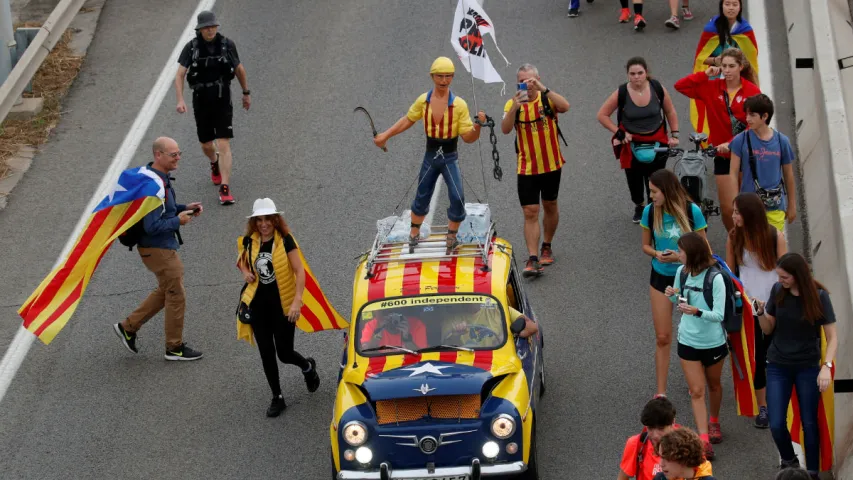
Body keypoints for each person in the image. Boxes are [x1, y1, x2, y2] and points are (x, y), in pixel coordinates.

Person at [373, 57, 486, 255]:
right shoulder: (423, 101)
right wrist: (386, 135)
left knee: (457, 195)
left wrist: (477, 125)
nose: (444, 81)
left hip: (449, 156)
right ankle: (414, 233)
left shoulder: (459, 105)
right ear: (432, 76)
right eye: (440, 76)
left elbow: (468, 138)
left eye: (448, 76)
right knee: (422, 193)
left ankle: (452, 236)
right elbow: (408, 119)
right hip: (431, 155)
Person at [113, 137, 203, 361]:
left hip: (158, 248)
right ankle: (174, 348)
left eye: (179, 153)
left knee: (166, 290)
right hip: (158, 250)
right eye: (173, 155)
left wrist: (185, 208)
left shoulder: (156, 178)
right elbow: (152, 226)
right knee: (177, 295)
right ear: (158, 155)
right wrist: (178, 221)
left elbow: (165, 209)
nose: (178, 158)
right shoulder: (153, 187)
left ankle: (128, 327)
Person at [754, 253, 838, 478]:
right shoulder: (777, 291)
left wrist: (826, 366)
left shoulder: (820, 297)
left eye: (785, 277)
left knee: (809, 423)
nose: (780, 280)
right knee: (777, 422)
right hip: (777, 365)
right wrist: (760, 313)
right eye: (779, 276)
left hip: (808, 367)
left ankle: (811, 472)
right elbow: (768, 328)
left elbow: (832, 337)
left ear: (798, 275)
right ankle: (790, 463)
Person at [235, 198, 320, 417]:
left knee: (284, 352)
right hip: (258, 307)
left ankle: (307, 367)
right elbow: (241, 260)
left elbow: (299, 272)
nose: (263, 224)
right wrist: (245, 272)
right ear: (254, 222)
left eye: (268, 219)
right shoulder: (249, 241)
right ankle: (277, 397)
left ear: (275, 220)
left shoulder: (286, 241)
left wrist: (297, 302)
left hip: (283, 306)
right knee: (266, 353)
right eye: (259, 220)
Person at [675, 48, 760, 233]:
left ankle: (750, 240)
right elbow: (680, 86)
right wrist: (704, 75)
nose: (727, 70)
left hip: (747, 155)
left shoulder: (752, 91)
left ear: (741, 67)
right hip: (723, 158)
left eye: (731, 66)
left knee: (747, 207)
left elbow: (754, 125)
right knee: (729, 209)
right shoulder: (711, 88)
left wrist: (732, 143)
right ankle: (735, 240)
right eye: (724, 66)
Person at [641, 169, 707, 400]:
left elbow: (704, 248)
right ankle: (661, 393)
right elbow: (646, 246)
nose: (651, 196)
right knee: (663, 337)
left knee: (695, 335)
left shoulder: (692, 211)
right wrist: (657, 254)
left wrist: (680, 257)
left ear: (667, 191)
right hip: (660, 277)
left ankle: (697, 383)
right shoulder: (650, 212)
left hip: (690, 278)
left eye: (654, 192)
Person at [501, 64, 570, 277]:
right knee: (530, 211)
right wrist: (514, 105)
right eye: (522, 81)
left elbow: (566, 106)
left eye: (530, 81)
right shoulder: (514, 104)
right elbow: (504, 129)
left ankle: (546, 245)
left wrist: (544, 88)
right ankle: (532, 258)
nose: (527, 85)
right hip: (526, 167)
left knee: (550, 205)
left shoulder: (547, 99)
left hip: (551, 165)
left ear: (537, 79)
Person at [175, 10, 251, 206]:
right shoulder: (191, 48)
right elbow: (180, 74)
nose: (210, 30)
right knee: (206, 144)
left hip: (222, 98)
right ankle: (214, 162)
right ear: (200, 30)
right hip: (201, 99)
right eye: (206, 27)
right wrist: (180, 99)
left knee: (224, 143)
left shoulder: (227, 45)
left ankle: (225, 188)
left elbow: (239, 69)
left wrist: (246, 93)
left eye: (213, 26)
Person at [726, 192, 788, 428]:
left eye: (737, 212)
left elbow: (785, 271)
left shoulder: (775, 236)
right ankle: (764, 408)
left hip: (775, 306)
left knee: (777, 355)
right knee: (758, 358)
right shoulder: (734, 237)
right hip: (749, 309)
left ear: (750, 215)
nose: (733, 216)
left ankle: (780, 401)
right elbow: (730, 274)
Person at [665, 232, 727, 460]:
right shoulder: (681, 273)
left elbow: (719, 314)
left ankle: (714, 420)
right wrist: (672, 295)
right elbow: (679, 300)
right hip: (688, 340)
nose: (678, 254)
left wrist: (698, 311)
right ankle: (703, 440)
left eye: (681, 251)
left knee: (713, 386)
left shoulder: (715, 278)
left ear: (692, 254)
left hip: (713, 341)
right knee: (697, 391)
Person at [597, 57, 679, 223]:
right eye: (632, 73)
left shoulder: (657, 88)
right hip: (631, 143)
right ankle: (639, 205)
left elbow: (670, 111)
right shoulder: (621, 92)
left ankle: (655, 207)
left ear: (646, 73)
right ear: (627, 75)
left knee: (656, 178)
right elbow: (602, 115)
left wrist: (674, 135)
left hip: (658, 140)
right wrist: (619, 132)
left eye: (640, 73)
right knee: (634, 179)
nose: (636, 77)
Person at [729, 94, 797, 232]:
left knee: (774, 248)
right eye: (747, 114)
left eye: (752, 115)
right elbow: (733, 173)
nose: (747, 119)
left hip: (775, 206)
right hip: (748, 207)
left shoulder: (782, 141)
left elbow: (788, 175)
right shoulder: (739, 140)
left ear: (764, 116)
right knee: (751, 250)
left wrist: (792, 205)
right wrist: (736, 206)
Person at [617, 396, 678, 480]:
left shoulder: (687, 445)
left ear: (673, 423)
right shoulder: (636, 443)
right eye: (650, 428)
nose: (655, 435)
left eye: (661, 428)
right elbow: (622, 477)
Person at [442, 303, 538, 347]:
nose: (470, 303)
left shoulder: (497, 309)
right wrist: (456, 335)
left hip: (497, 358)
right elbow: (442, 347)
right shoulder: (451, 321)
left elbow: (532, 327)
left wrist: (507, 335)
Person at [360, 309, 428, 351]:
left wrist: (406, 338)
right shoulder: (372, 326)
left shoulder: (416, 325)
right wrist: (378, 333)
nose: (393, 321)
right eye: (387, 316)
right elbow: (366, 352)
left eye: (395, 316)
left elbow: (421, 356)